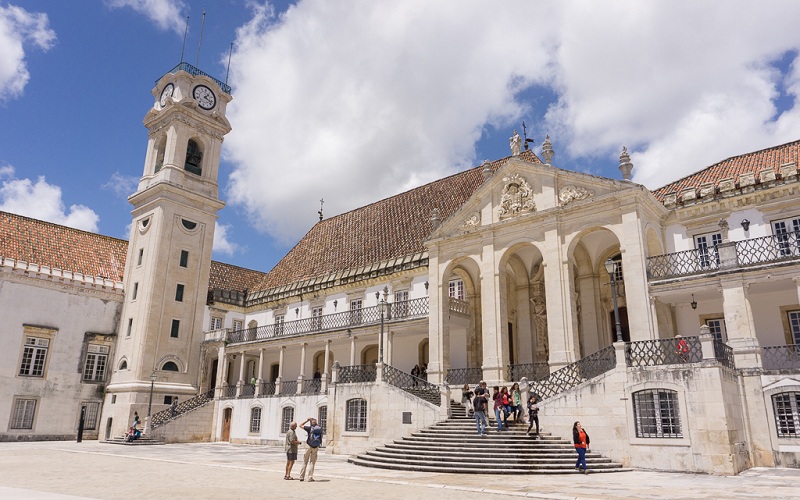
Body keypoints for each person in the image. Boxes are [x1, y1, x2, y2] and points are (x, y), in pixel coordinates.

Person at [299, 417, 323, 482]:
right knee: (312, 462)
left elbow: (300, 425)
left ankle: (301, 477)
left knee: (305, 461)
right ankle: (310, 477)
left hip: (308, 445)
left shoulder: (309, 428)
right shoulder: (319, 428)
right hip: (316, 446)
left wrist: (306, 420)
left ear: (311, 423)